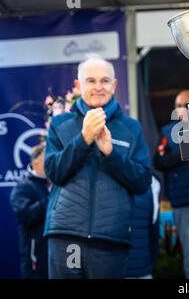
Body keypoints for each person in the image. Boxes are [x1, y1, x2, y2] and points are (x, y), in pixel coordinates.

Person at [44, 56, 152, 279]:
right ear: (78, 86)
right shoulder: (60, 124)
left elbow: (142, 182)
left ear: (114, 85)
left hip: (110, 240)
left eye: (104, 81)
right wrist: (83, 140)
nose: (98, 87)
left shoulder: (131, 128)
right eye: (91, 81)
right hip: (67, 237)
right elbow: (54, 172)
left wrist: (111, 154)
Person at [154, 89, 189, 279]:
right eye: (178, 106)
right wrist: (186, 150)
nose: (182, 109)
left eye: (187, 105)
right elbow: (159, 161)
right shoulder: (167, 132)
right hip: (182, 201)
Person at [10, 143, 49, 279]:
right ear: (36, 162)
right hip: (35, 262)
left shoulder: (56, 184)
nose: (51, 161)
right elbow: (26, 215)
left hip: (58, 257)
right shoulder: (22, 187)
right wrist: (51, 200)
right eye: (47, 158)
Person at [126, 176, 161, 279]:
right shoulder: (153, 183)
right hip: (144, 267)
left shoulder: (107, 176)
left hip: (116, 267)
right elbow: (154, 233)